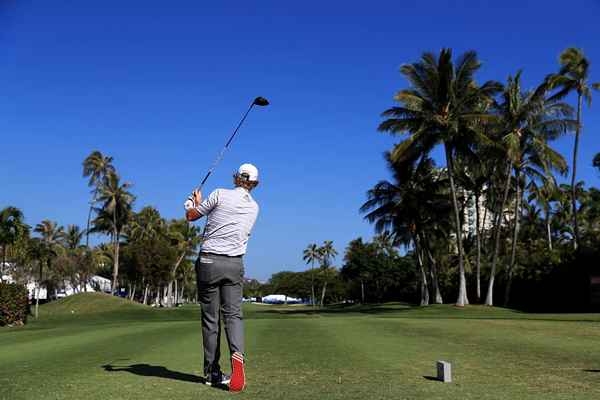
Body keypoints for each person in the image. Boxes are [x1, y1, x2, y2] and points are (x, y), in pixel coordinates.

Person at [184, 163, 260, 392]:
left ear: (236, 177)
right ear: (255, 183)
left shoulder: (219, 194)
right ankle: (237, 358)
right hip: (234, 264)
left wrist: (192, 202)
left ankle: (212, 371)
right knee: (233, 316)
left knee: (211, 319)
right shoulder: (255, 207)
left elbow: (191, 216)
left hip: (209, 261)